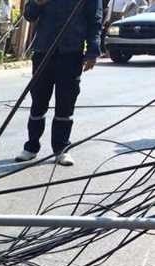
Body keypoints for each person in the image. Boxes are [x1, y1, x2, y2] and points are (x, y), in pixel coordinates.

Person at [15, 0, 103, 166]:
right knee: (38, 102)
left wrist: (92, 51)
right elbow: (29, 15)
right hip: (43, 51)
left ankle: (61, 149)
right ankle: (31, 147)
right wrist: (38, 3)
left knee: (65, 104)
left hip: (71, 53)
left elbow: (95, 20)